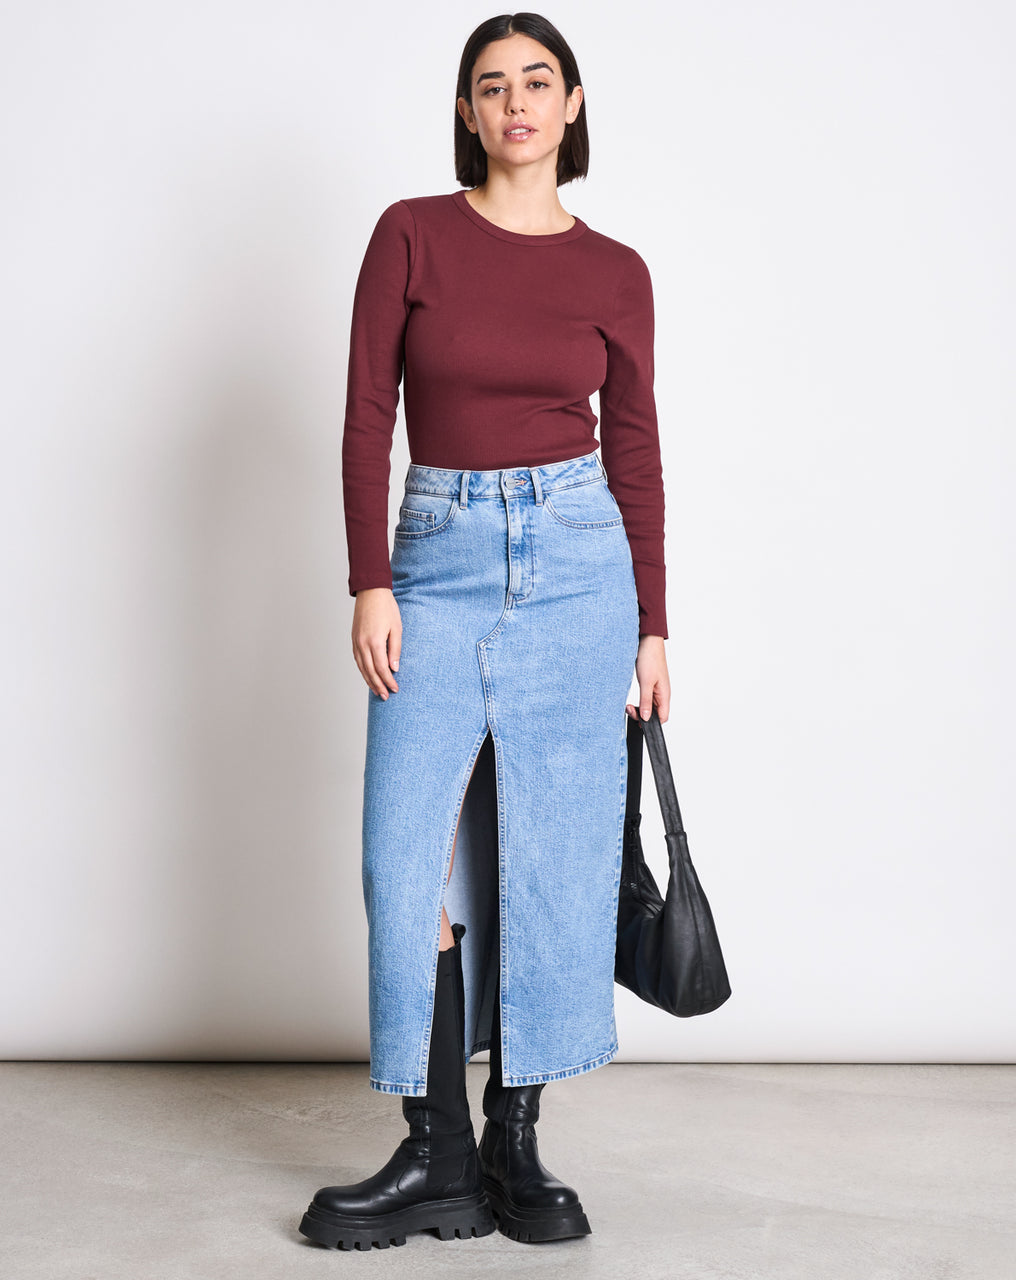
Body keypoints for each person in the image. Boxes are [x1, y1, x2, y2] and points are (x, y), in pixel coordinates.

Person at [299, 11, 670, 1253]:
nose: (514, 103)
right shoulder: (411, 233)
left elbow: (635, 449)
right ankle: (433, 1149)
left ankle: (513, 1144)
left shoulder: (617, 269)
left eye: (536, 82)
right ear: (466, 112)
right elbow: (365, 415)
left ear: (571, 106)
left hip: (579, 562)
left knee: (552, 861)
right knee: (403, 856)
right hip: (438, 555)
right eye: (490, 86)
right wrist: (371, 578)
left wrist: (655, 623)